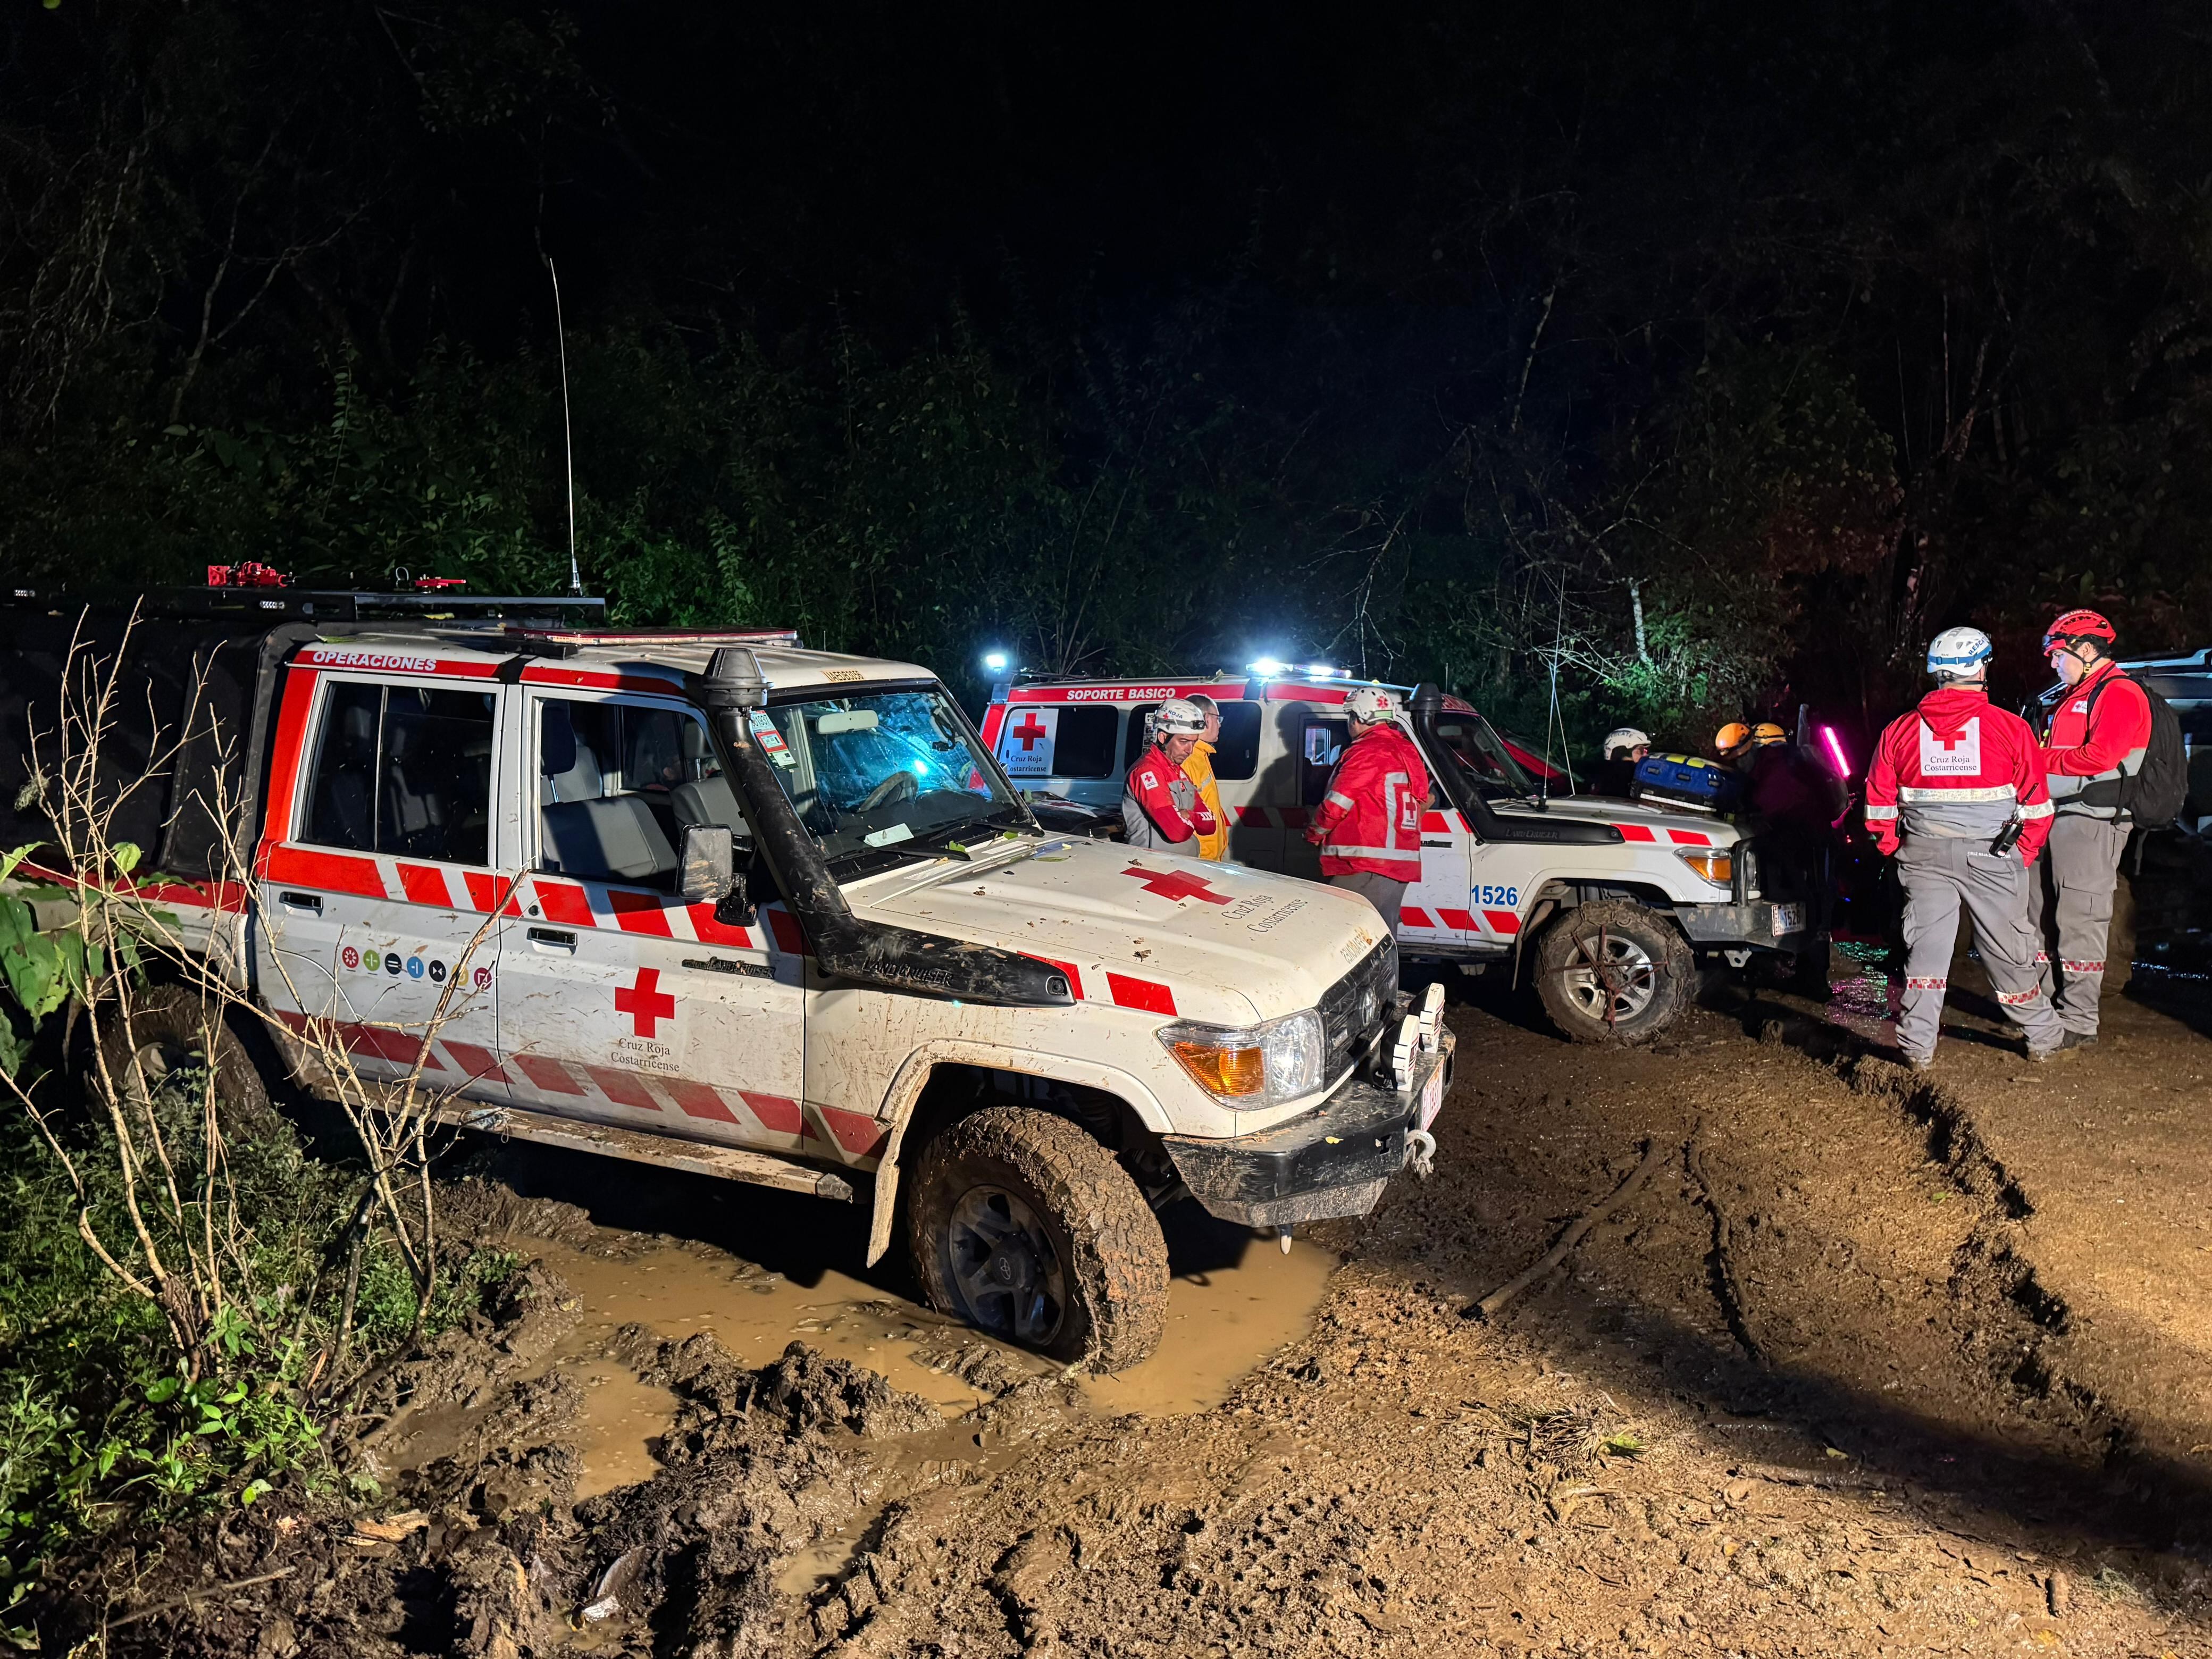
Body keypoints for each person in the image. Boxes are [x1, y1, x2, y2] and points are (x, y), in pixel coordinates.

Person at [1863, 626, 2065, 1069]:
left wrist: (1902, 849)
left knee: (1926, 954)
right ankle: (2043, 1036)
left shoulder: (1898, 731)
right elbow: (2037, 807)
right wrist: (2020, 856)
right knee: (2008, 953)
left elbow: (1878, 811)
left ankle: (1917, 1049)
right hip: (1993, 857)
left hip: (1923, 858)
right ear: (1978, 668)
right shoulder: (2010, 729)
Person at [2031, 608, 2153, 1048]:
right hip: (2058, 817)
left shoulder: (2118, 693)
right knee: (2040, 914)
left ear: (2084, 650)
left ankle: (2079, 1021)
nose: (2052, 663)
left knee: (2081, 918)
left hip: (2093, 821)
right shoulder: (2074, 693)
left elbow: (2100, 757)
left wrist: (2035, 761)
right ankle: (2043, 1010)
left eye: (2056, 654)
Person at [1303, 685, 1432, 929]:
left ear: (1358, 718)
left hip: (1363, 864)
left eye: (1350, 717)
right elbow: (1425, 800)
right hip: (1399, 865)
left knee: (1344, 938)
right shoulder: (1408, 751)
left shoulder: (1367, 752)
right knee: (1380, 937)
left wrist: (1313, 833)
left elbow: (1337, 803)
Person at [1122, 698, 1221, 851]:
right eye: (1183, 741)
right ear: (1163, 737)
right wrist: (1194, 819)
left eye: (1194, 743)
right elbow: (1177, 832)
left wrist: (1189, 816)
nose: (1190, 750)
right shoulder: (1147, 771)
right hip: (1152, 867)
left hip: (1179, 866)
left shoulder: (1178, 771)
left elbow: (1210, 826)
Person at [1183, 694, 1229, 862]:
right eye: (1218, 718)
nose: (1220, 724)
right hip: (1200, 858)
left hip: (1206, 857)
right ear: (1207, 720)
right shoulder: (1189, 759)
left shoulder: (1200, 756)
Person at [1589, 726, 1651, 797]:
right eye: (1640, 751)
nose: (1645, 754)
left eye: (1645, 750)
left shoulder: (1601, 774)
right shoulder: (1626, 776)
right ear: (1623, 752)